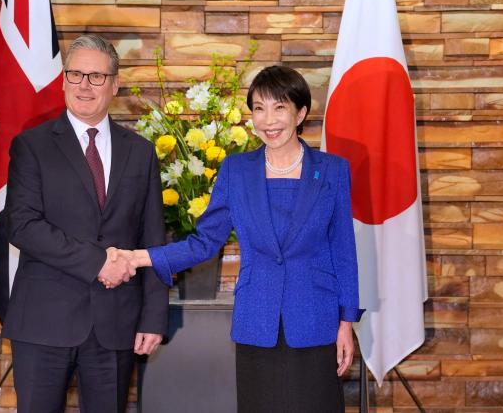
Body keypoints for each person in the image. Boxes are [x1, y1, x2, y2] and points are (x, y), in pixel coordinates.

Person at [106, 65, 364, 412]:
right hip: (257, 321)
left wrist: (346, 323)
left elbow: (343, 251)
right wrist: (140, 257)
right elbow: (204, 242)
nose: (268, 120)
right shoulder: (236, 170)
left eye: (279, 107)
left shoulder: (332, 170)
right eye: (259, 108)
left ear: (300, 112)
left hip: (316, 321)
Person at [2, 34, 168, 413]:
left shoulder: (140, 152)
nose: (84, 85)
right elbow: (22, 226)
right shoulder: (32, 145)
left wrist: (154, 316)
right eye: (75, 74)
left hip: (115, 324)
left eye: (95, 76)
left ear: (114, 84)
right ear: (62, 80)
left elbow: (153, 237)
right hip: (43, 321)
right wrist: (98, 262)